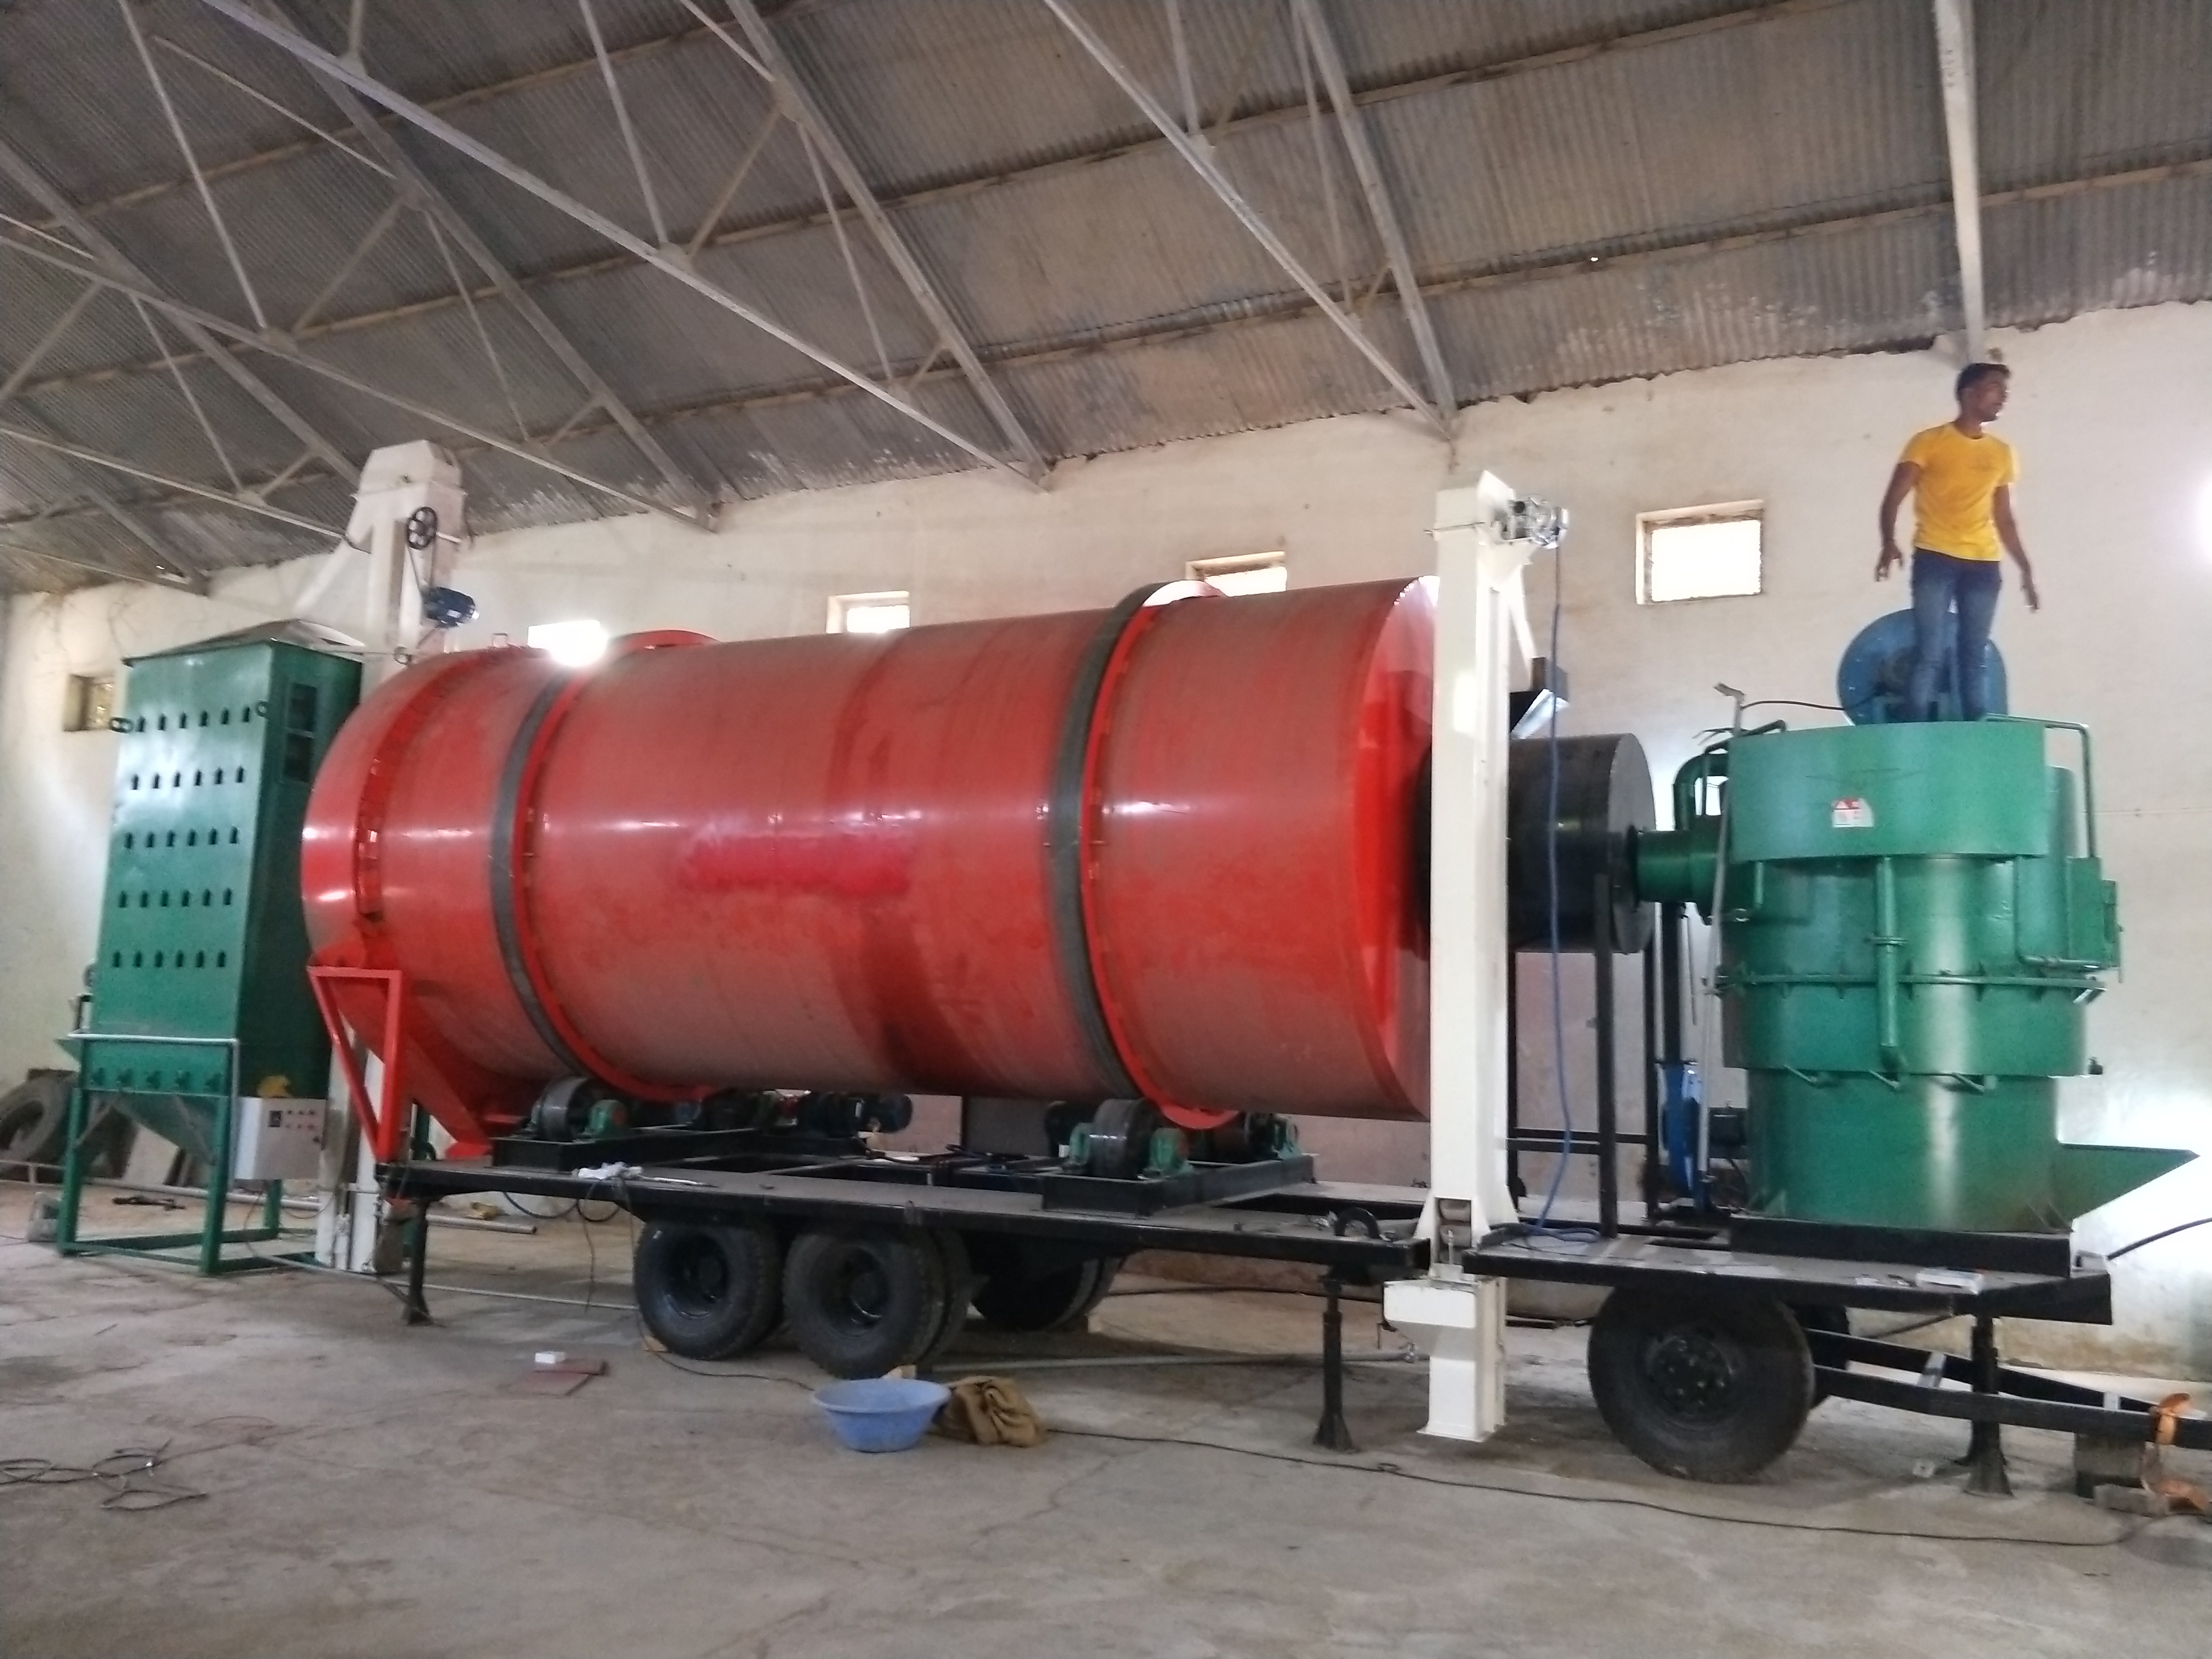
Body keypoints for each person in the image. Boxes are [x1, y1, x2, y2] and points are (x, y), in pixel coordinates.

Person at [1875, 362, 2039, 720]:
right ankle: (1914, 732)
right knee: (1929, 654)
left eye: (2005, 390)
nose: (2004, 396)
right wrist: (1888, 540)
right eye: (1995, 388)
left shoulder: (2002, 453)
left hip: (1984, 564)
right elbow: (1893, 498)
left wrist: (2026, 569)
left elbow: (2005, 518)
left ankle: (1977, 733)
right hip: (1935, 558)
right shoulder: (1929, 442)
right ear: (1968, 394)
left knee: (1975, 655)